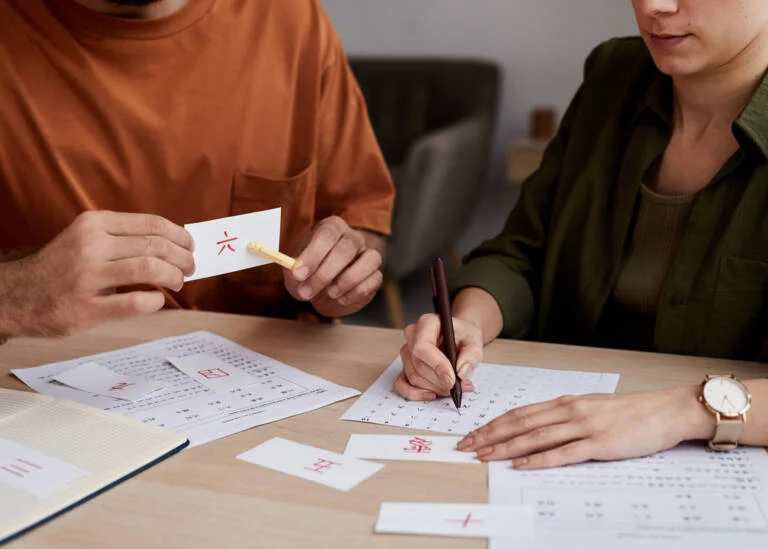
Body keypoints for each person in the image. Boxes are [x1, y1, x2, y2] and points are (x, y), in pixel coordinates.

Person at [395, 0, 768, 468]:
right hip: (552, 441)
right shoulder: (615, 75)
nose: (654, 6)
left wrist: (680, 410)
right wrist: (467, 326)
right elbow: (520, 254)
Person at [0, 0, 394, 337]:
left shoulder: (289, 19)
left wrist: (342, 273)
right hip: (40, 386)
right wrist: (16, 296)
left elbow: (360, 219)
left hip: (255, 378)